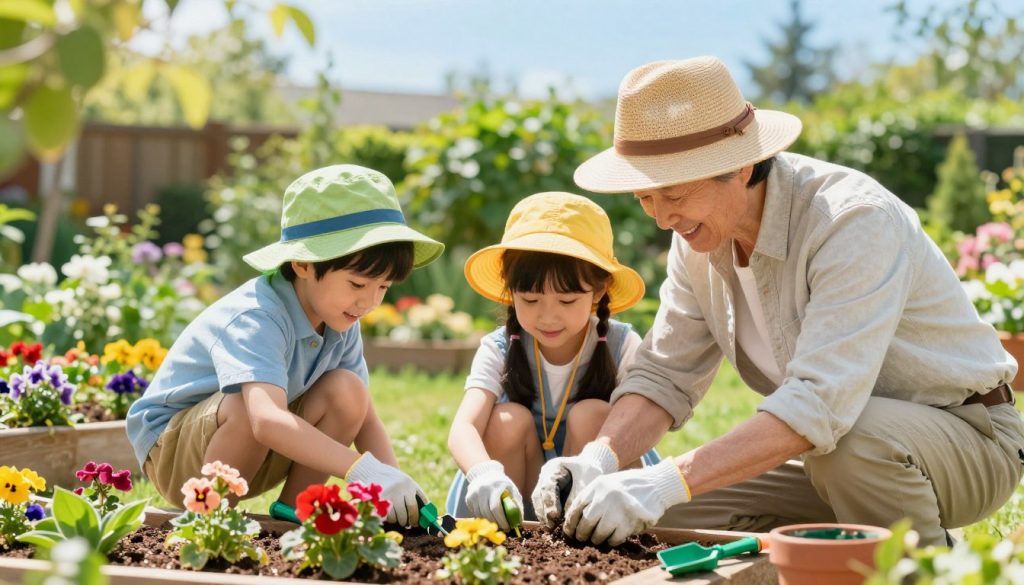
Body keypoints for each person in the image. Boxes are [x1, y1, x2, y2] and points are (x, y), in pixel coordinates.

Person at [531, 56, 1024, 547]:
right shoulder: (697, 241)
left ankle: (927, 565)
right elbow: (665, 374)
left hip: (970, 438)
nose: (661, 218)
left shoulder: (852, 221)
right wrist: (597, 461)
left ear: (740, 165)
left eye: (673, 193)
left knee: (850, 444)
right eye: (644, 198)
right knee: (677, 517)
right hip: (831, 453)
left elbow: (821, 404)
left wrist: (662, 480)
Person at [126, 164, 444, 527]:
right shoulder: (257, 316)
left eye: (383, 287)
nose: (370, 302)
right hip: (174, 453)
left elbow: (363, 416)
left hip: (254, 452)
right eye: (358, 285)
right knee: (249, 406)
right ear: (303, 264)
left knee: (350, 391)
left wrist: (398, 485)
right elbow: (265, 421)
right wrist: (359, 468)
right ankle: (209, 519)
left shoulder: (340, 316)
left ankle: (294, 510)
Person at [445, 192, 655, 530]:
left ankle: (579, 532)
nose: (547, 317)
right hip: (513, 491)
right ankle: (509, 532)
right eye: (530, 299)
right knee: (505, 419)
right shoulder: (500, 346)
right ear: (511, 291)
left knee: (594, 415)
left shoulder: (621, 344)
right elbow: (463, 427)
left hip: (592, 488)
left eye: (567, 300)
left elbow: (644, 424)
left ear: (598, 292)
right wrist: (484, 475)